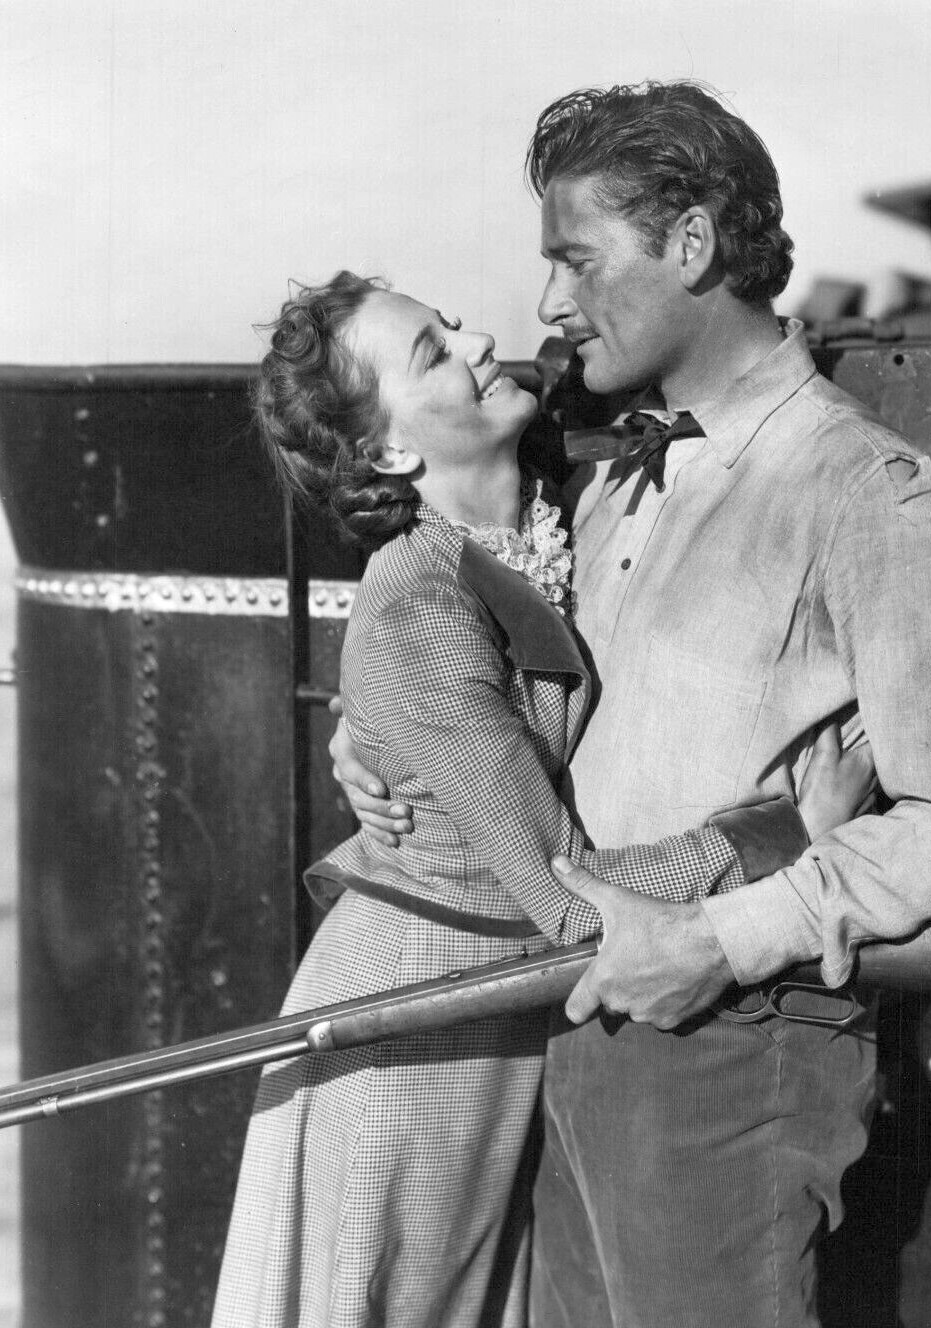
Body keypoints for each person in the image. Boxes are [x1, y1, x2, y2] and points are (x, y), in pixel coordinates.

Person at [332, 81, 931, 1328]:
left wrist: (718, 938)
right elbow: (470, 648)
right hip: (578, 1028)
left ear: (692, 243)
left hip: (732, 1046)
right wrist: (373, 731)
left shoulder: (868, 494)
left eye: (575, 259)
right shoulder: (601, 469)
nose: (546, 304)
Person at [211, 270, 874, 1328]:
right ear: (390, 452)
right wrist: (783, 832)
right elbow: (566, 899)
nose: (479, 340)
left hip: (499, 1005)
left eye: (450, 322)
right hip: (410, 1029)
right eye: (433, 352)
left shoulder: (536, 507)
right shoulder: (419, 607)